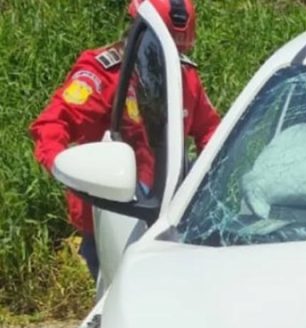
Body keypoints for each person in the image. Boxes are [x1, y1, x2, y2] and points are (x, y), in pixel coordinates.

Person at [29, 0, 220, 280]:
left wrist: (217, 177)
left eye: (178, 50)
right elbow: (53, 123)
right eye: (165, 48)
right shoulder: (105, 73)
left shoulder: (184, 76)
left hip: (169, 213)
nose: (173, 57)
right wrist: (64, 167)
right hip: (115, 215)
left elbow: (210, 131)